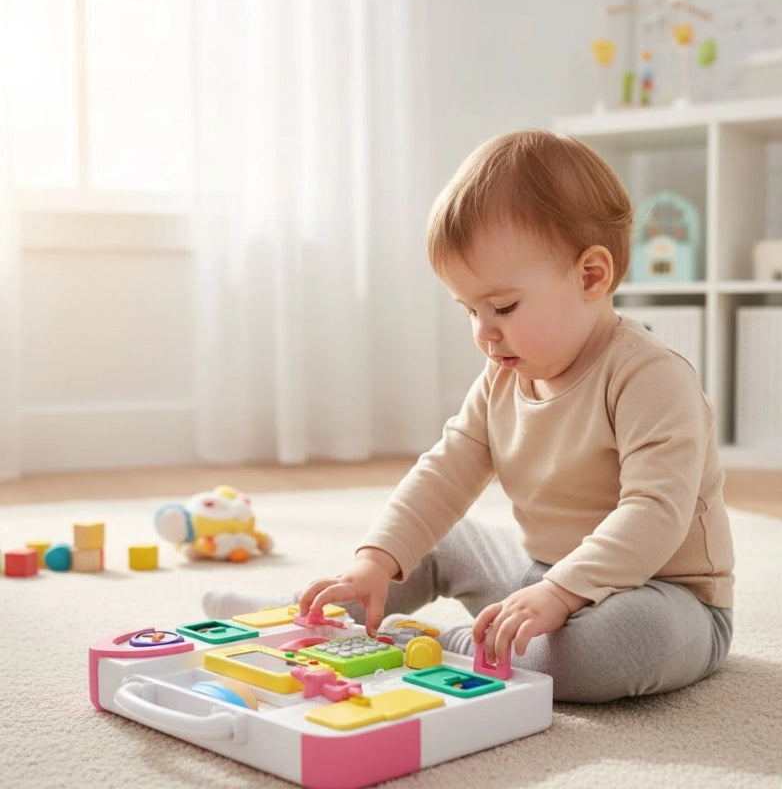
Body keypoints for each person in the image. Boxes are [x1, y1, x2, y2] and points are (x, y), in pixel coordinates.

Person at [204, 129, 734, 703]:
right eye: (470, 310)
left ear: (590, 276)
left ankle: (429, 644)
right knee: (435, 539)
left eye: (503, 306)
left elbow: (654, 514)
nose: (485, 331)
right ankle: (316, 615)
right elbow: (445, 471)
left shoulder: (651, 378)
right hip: (539, 579)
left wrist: (562, 593)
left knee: (605, 653)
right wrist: (374, 560)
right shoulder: (505, 374)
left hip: (662, 598)